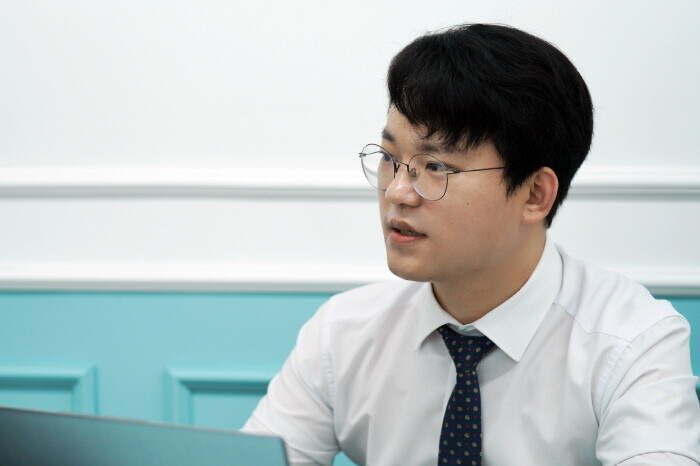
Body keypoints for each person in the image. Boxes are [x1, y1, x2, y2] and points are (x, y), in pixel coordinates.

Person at [242, 23, 700, 465]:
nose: (398, 192)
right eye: (389, 158)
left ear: (534, 195)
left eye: (436, 167)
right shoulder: (343, 333)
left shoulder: (631, 341)